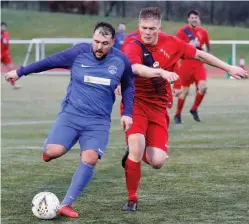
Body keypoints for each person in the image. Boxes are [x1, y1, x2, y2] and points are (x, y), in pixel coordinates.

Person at [120, 7, 248, 211]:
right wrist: (160, 72)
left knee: (158, 162)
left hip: (159, 106)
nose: (147, 32)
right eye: (144, 27)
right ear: (139, 26)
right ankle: (132, 199)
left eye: (152, 28)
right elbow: (135, 68)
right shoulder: (131, 42)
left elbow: (201, 55)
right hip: (135, 102)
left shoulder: (171, 43)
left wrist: (229, 68)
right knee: (136, 147)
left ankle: (136, 153)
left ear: (159, 27)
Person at [4, 22, 135, 218]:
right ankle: (51, 149)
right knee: (53, 151)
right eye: (96, 41)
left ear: (113, 42)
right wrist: (20, 72)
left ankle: (66, 204)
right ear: (92, 38)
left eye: (105, 43)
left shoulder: (121, 61)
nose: (99, 47)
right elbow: (49, 62)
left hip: (98, 122)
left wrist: (128, 113)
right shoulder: (78, 53)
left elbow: (129, 86)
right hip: (71, 114)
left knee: (90, 158)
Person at [174, 10, 211, 123]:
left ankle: (194, 109)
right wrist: (188, 45)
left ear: (198, 19)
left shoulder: (203, 32)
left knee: (203, 87)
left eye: (196, 17)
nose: (194, 19)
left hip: (199, 64)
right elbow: (176, 47)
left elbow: (208, 46)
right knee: (184, 91)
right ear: (188, 19)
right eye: (192, 17)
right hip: (186, 64)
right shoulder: (182, 32)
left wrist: (207, 54)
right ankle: (177, 114)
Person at [1, 22, 20, 89]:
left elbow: (6, 44)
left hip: (5, 54)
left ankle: (13, 85)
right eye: (2, 26)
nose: (3, 28)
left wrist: (2, 37)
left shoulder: (6, 34)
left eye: (4, 27)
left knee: (10, 68)